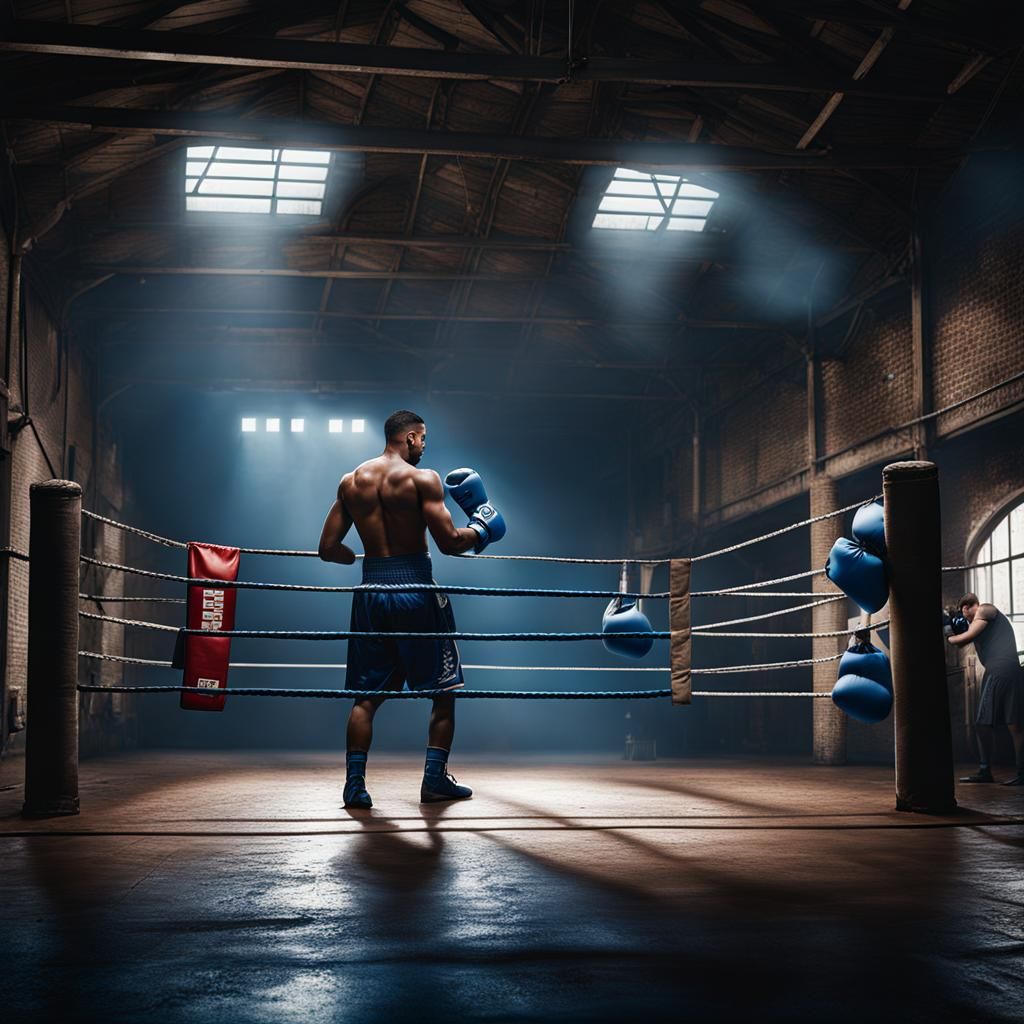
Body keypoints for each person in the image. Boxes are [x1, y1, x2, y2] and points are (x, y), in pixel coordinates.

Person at [317, 410, 506, 808]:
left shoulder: (351, 482)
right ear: (412, 438)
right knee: (444, 692)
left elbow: (328, 548)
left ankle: (355, 786)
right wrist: (484, 527)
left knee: (366, 698)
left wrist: (358, 560)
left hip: (371, 591)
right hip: (416, 590)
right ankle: (434, 780)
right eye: (423, 440)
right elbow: (452, 542)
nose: (424, 447)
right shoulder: (423, 479)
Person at [947, 593, 1024, 786]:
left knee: (983, 724)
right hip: (1009, 671)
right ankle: (1020, 773)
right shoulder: (982, 624)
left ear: (967, 607)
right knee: (1014, 725)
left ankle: (984, 770)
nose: (966, 619)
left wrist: (949, 636)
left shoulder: (985, 609)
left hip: (999, 671)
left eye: (965, 614)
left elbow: (966, 638)